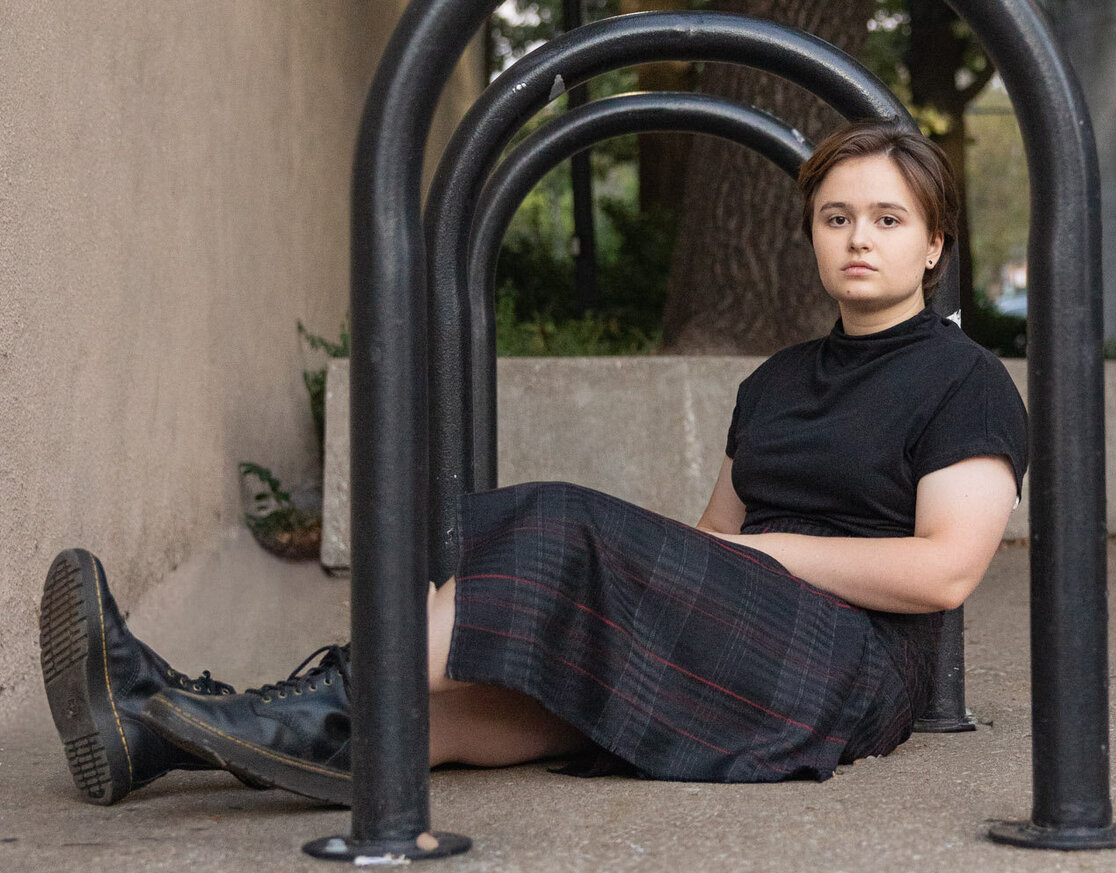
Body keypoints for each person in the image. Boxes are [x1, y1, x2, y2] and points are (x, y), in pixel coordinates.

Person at [39, 120, 1027, 810]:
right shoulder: (774, 383)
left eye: (889, 220)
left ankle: (241, 692)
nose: (860, 238)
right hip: (755, 634)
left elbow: (944, 570)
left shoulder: (965, 381)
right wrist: (705, 566)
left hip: (851, 672)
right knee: (511, 692)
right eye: (837, 216)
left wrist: (770, 552)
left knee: (558, 520)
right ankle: (158, 733)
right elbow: (712, 543)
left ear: (934, 243)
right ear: (811, 232)